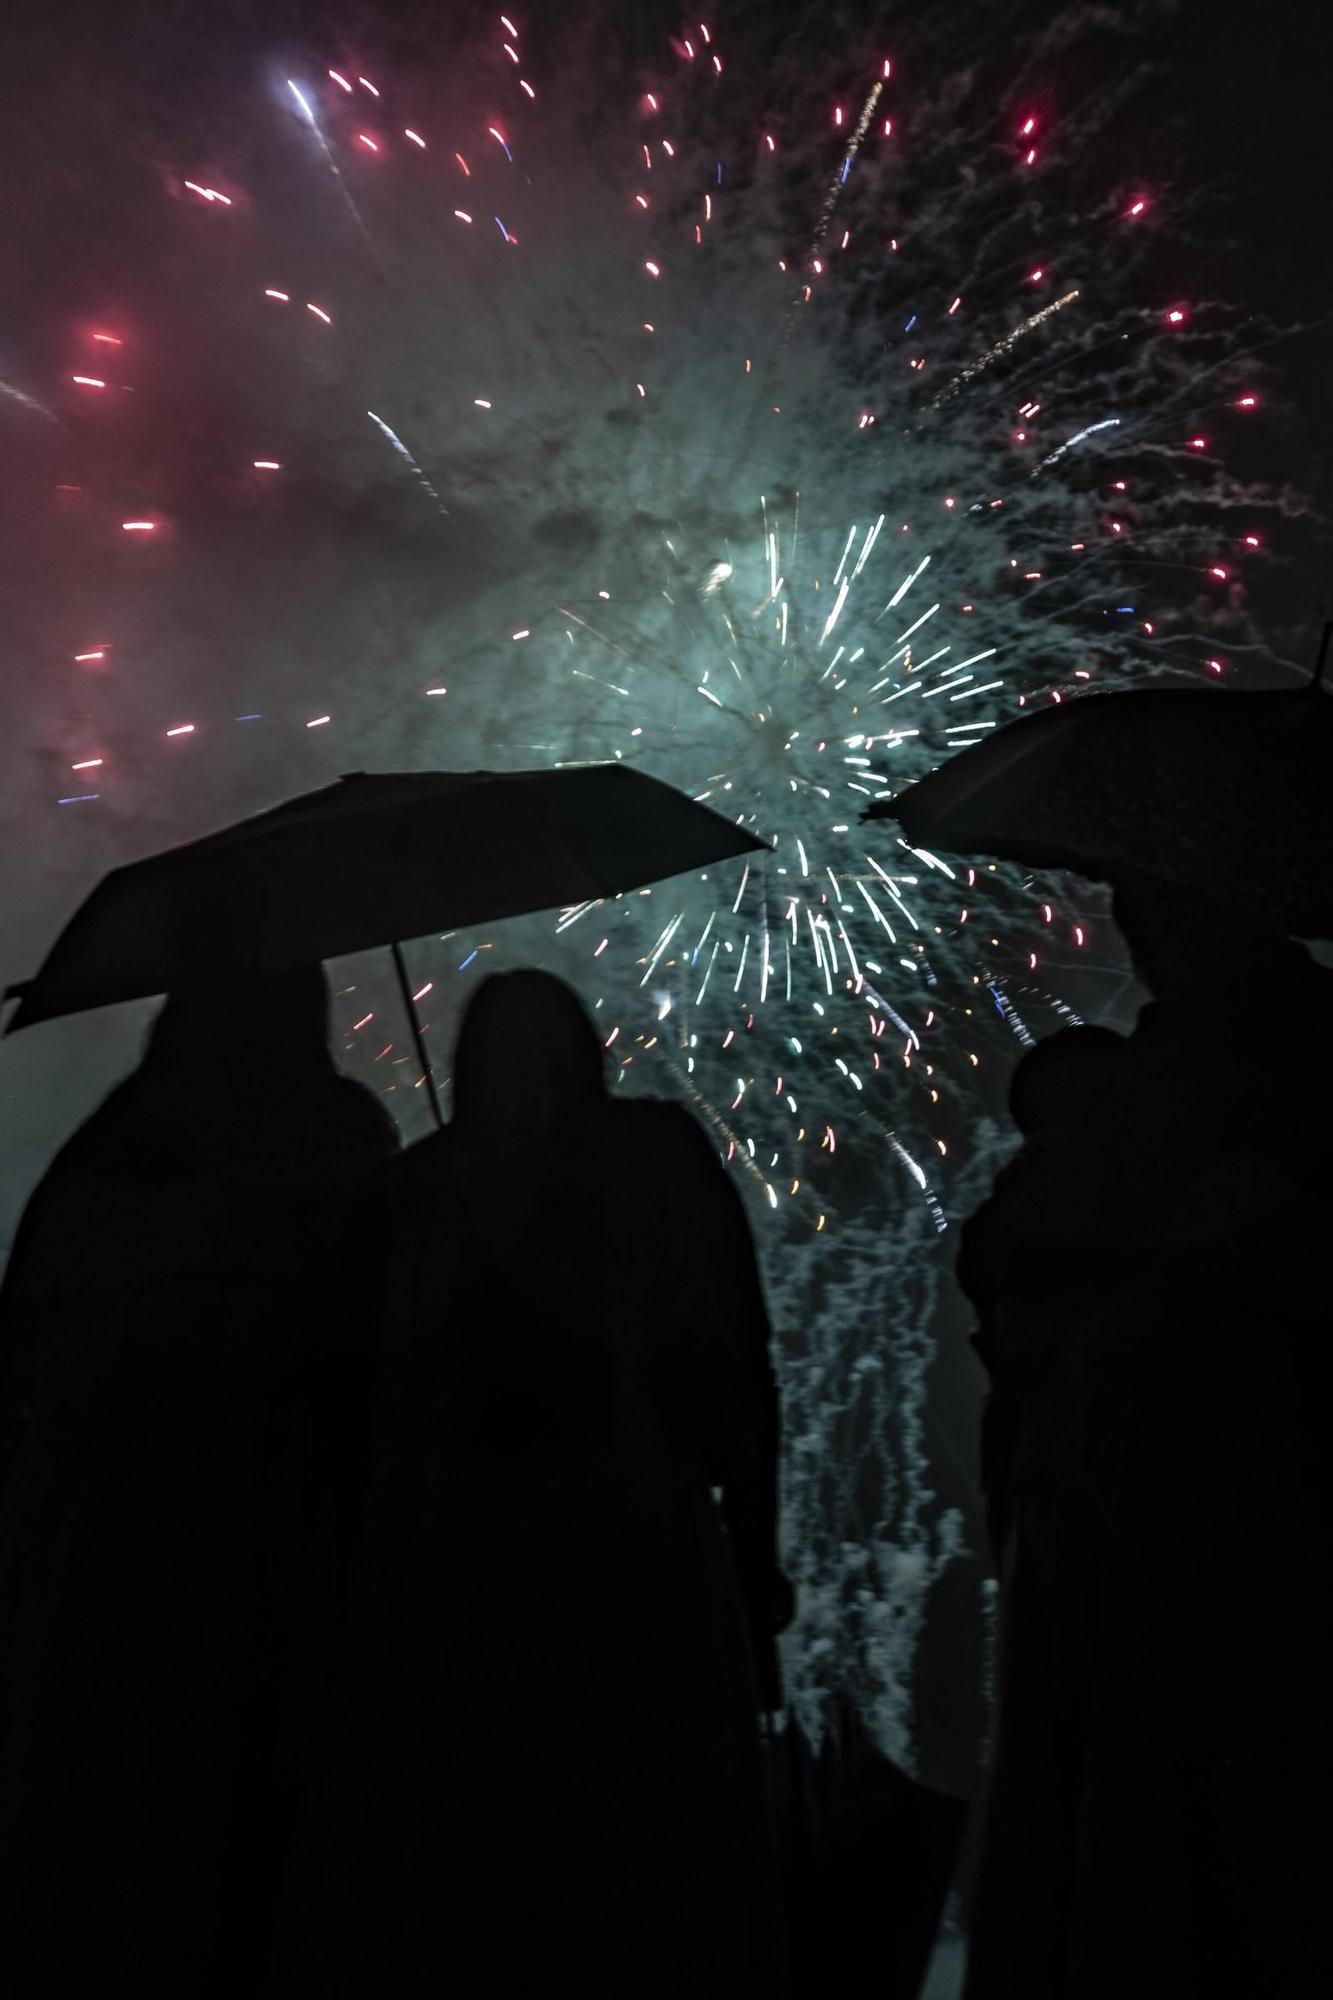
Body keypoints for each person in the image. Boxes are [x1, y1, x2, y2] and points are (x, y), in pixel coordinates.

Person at [281, 969, 791, 1996]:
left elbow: (345, 1407)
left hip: (459, 1556)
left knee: (488, 1845)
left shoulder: (411, 1196)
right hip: (629, 1542)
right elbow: (734, 1354)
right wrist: (752, 1547)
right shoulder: (650, 1159)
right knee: (644, 1831)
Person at [960, 878, 1333, 1998]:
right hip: (1183, 1483)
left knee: (1156, 1791)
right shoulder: (1223, 1073)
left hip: (1190, 1482)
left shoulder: (1199, 1082)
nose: (1148, 948)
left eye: (1160, 922)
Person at [0, 965, 399, 1999]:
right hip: (263, 1514)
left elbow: (32, 1332)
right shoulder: (333, 1130)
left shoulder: (119, 1147)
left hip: (127, 1528)